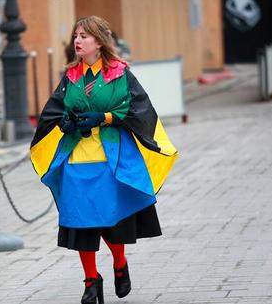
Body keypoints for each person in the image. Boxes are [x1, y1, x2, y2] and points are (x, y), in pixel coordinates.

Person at [30, 15, 178, 304]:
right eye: (76, 35)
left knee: (112, 222)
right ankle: (90, 281)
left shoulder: (120, 74)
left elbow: (140, 111)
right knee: (80, 222)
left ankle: (120, 264)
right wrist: (66, 123)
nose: (77, 41)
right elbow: (54, 112)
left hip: (111, 159)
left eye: (84, 36)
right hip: (76, 159)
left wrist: (105, 117)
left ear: (99, 42)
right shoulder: (70, 77)